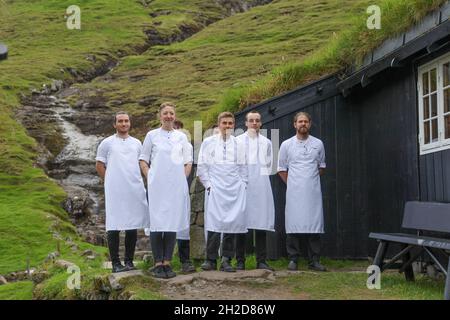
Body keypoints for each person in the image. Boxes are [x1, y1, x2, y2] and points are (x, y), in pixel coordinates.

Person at [139, 102, 193, 279]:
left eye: (171, 113)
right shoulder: (151, 135)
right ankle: (157, 263)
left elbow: (188, 161)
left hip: (175, 185)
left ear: (175, 116)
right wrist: (150, 176)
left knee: (171, 221)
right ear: (160, 116)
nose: (169, 116)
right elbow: (143, 159)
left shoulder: (181, 137)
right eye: (165, 113)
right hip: (157, 185)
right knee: (157, 221)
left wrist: (182, 178)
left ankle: (167, 263)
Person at [95, 112, 150, 273]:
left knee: (132, 224)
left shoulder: (137, 143)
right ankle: (116, 263)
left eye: (126, 121)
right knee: (114, 224)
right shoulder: (107, 143)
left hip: (134, 187)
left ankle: (129, 261)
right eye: (120, 121)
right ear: (115, 124)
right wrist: (109, 181)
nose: (124, 124)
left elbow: (142, 163)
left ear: (130, 124)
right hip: (115, 189)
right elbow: (99, 164)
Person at [197, 112, 248, 272]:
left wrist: (242, 185)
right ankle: (211, 260)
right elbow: (202, 167)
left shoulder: (239, 144)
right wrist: (209, 186)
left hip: (234, 189)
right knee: (214, 223)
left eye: (230, 123)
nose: (227, 126)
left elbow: (243, 167)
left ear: (233, 125)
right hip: (215, 188)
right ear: (219, 125)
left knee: (230, 224)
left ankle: (226, 260)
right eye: (224, 123)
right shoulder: (208, 142)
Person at [277, 111, 327, 272]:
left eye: (305, 121)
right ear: (295, 124)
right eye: (300, 122)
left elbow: (321, 167)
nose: (303, 124)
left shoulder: (318, 143)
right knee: (293, 223)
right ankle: (293, 259)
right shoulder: (286, 145)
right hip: (294, 192)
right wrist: (292, 183)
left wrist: (309, 180)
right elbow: (281, 169)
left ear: (310, 124)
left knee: (314, 224)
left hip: (313, 191)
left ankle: (314, 260)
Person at [235, 110, 275, 271]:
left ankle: (261, 260)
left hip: (261, 186)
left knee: (260, 222)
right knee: (241, 224)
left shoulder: (267, 142)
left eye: (257, 120)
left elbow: (269, 164)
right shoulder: (237, 141)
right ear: (245, 123)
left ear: (261, 123)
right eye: (251, 120)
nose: (254, 123)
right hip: (242, 186)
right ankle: (240, 261)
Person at [173, 119, 196, 274]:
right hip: (162, 189)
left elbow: (188, 164)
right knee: (161, 224)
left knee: (182, 225)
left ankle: (185, 261)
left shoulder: (186, 146)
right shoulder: (159, 143)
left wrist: (182, 179)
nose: (176, 130)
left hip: (180, 188)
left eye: (178, 128)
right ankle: (161, 260)